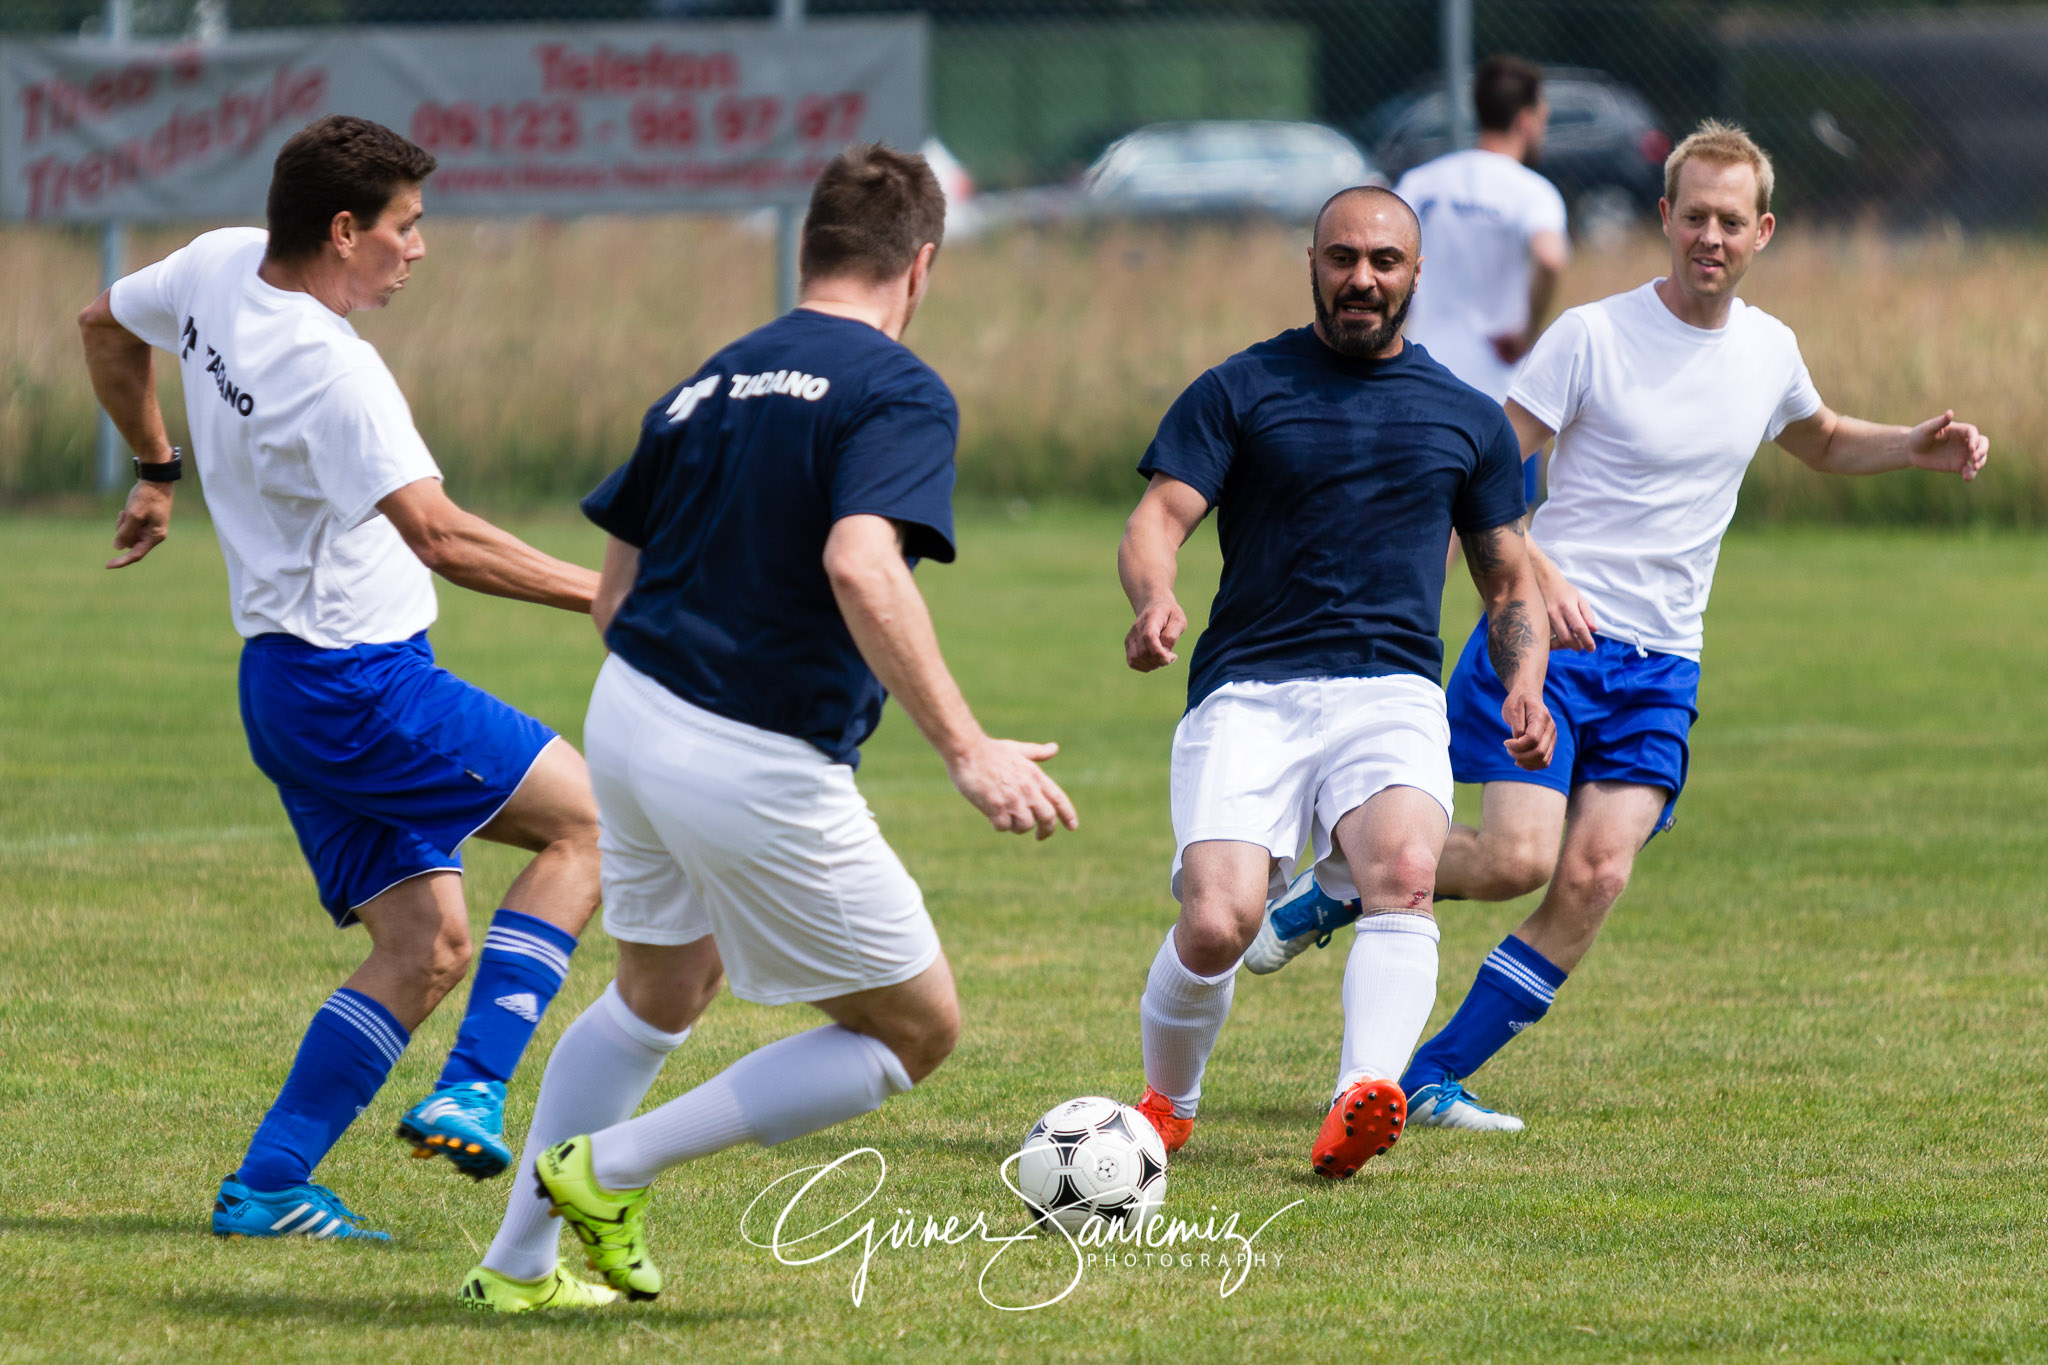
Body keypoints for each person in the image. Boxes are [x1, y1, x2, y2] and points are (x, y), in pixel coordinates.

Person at [1246, 123, 1989, 1135]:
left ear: (1760, 230)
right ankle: (1342, 881)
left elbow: (1813, 438)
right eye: (1693, 217)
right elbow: (1482, 467)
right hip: (1547, 648)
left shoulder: (1768, 350)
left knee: (1593, 873)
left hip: (1663, 665)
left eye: (1731, 221)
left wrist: (1911, 444)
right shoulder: (1592, 336)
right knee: (1515, 860)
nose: (1710, 237)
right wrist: (1536, 570)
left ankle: (1427, 1075)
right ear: (1664, 220)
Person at [459, 142, 1078, 1314]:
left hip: (629, 719)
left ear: (807, 250)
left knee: (661, 989)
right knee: (910, 1030)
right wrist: (966, 746)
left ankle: (515, 1268)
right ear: (923, 266)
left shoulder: (709, 379)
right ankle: (607, 1170)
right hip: (743, 751)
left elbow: (612, 596)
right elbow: (863, 563)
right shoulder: (896, 387)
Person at [78, 114, 609, 1240]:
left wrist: (155, 467)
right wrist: (612, 597)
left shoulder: (220, 263)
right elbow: (444, 539)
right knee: (594, 825)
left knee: (426, 947)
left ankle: (269, 1188)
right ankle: (475, 1082)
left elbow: (102, 326)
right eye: (406, 228)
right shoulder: (336, 373)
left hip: (284, 687)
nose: (418, 249)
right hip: (360, 686)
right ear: (341, 229)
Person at [1116, 185, 1554, 1182]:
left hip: (1388, 692)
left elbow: (1504, 578)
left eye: (1383, 262)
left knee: (1403, 874)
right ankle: (1166, 1106)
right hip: (1247, 690)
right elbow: (1158, 519)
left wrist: (1523, 681)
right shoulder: (1240, 388)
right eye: (1342, 258)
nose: (1361, 278)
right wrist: (1151, 599)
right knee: (1218, 917)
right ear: (1311, 264)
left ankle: (1361, 1097)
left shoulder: (1464, 418)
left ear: (1413, 274)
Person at [1396, 55, 1570, 407]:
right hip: (1497, 390)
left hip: (1421, 378)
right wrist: (1525, 334)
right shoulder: (1533, 192)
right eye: (1543, 120)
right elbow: (1550, 258)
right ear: (1526, 119)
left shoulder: (1420, 183)